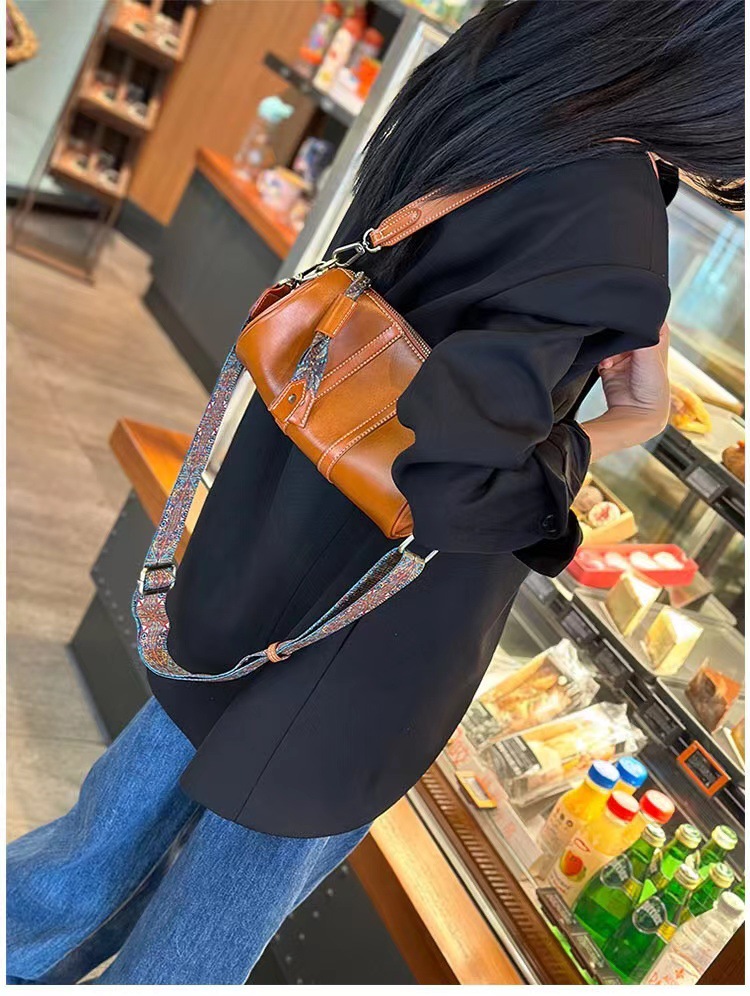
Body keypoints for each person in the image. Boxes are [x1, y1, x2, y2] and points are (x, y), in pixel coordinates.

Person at [7, 0, 744, 984]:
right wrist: (613, 430)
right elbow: (461, 481)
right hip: (377, 629)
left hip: (282, 527)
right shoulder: (610, 211)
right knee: (207, 929)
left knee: (104, 835)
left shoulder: (498, 71)